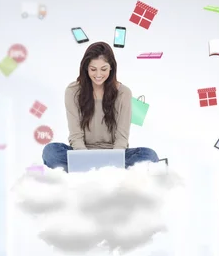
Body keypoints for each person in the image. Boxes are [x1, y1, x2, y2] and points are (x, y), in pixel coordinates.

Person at [42, 42, 159, 172]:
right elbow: (76, 135)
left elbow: (122, 137)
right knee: (50, 152)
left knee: (149, 156)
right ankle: (92, 168)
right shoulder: (72, 91)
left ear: (111, 68)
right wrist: (84, 159)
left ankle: (92, 169)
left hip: (115, 153)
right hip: (82, 153)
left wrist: (114, 162)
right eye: (93, 69)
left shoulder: (124, 93)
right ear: (86, 68)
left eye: (103, 69)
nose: (98, 74)